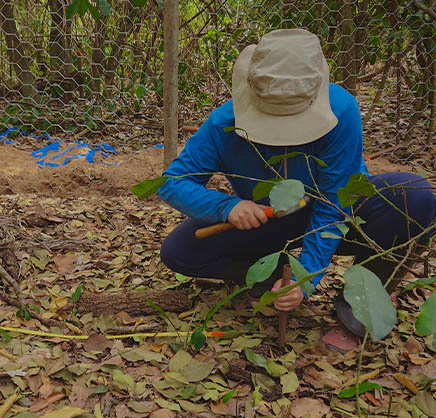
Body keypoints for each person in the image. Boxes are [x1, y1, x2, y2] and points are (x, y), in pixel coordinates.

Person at [157, 28, 436, 337]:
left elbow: (334, 207)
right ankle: (267, 277)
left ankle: (360, 312)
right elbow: (173, 182)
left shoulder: (341, 111)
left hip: (342, 213)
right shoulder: (224, 123)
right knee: (180, 251)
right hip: (270, 219)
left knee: (414, 196)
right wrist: (228, 207)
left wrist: (306, 277)